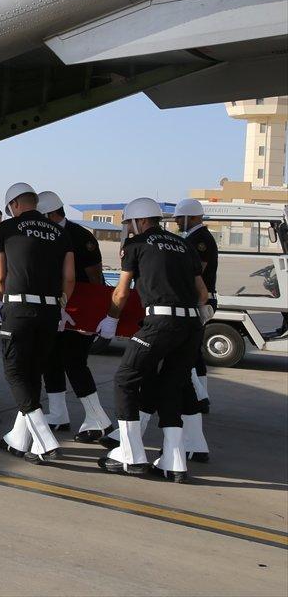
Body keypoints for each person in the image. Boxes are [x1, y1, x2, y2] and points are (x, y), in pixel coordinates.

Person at [97, 198, 209, 483]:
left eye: (128, 223)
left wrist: (110, 320)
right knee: (171, 386)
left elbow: (121, 293)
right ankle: (174, 461)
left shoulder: (136, 245)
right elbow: (203, 294)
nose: (128, 229)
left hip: (160, 322)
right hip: (191, 325)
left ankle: (131, 454)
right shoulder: (184, 245)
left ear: (139, 221)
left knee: (125, 378)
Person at [0, 182, 74, 464]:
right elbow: (70, 278)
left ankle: (45, 440)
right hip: (51, 311)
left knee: (15, 371)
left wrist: (4, 300)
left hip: (19, 308)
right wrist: (60, 303)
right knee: (33, 372)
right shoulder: (59, 232)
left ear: (14, 205)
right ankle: (19, 438)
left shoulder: (6, 228)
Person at [36, 190, 114, 442]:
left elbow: (95, 277)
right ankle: (58, 414)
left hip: (79, 308)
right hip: (55, 306)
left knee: (74, 361)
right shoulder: (42, 232)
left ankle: (98, 419)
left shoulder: (80, 236)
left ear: (50, 213)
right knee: (50, 359)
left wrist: (94, 315)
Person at [172, 197, 218, 461]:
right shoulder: (197, 237)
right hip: (199, 298)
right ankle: (201, 396)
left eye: (180, 217)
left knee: (189, 351)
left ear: (191, 217)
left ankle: (199, 397)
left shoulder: (199, 240)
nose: (177, 222)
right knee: (195, 352)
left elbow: (195, 271)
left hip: (198, 299)